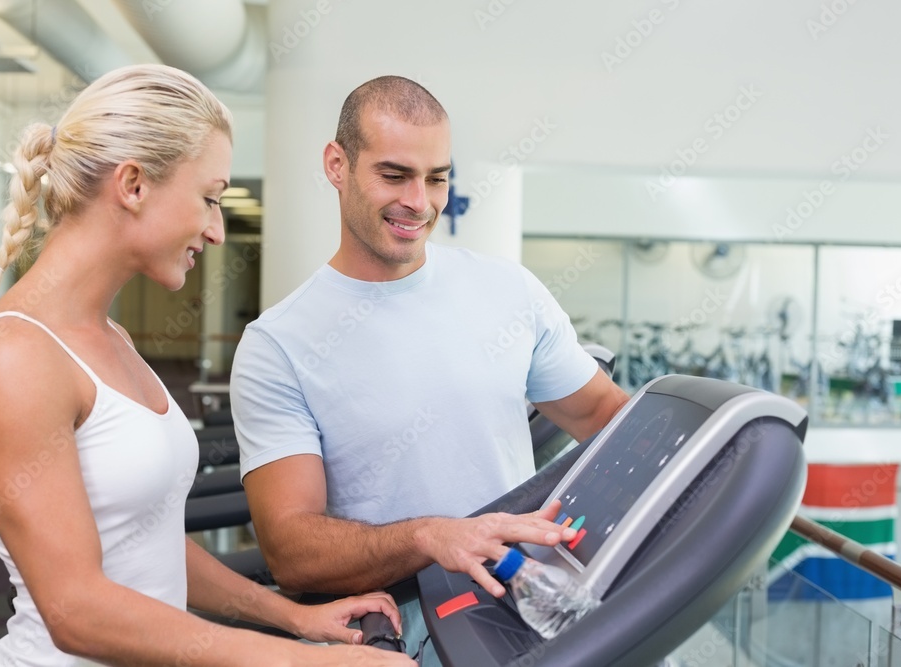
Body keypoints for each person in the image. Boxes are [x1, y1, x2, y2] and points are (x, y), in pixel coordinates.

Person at [0, 64, 414, 667]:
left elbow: (146, 542)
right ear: (133, 184)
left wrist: (292, 617)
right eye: (209, 198)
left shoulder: (111, 338)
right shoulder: (13, 358)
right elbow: (75, 610)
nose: (215, 229)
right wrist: (300, 661)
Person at [230, 75, 631, 657]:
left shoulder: (508, 290)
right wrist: (433, 535)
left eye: (436, 178)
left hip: (524, 608)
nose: (419, 202)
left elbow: (604, 416)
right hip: (397, 634)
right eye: (393, 175)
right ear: (336, 165)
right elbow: (291, 548)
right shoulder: (278, 345)